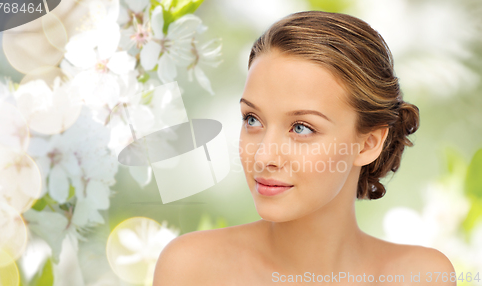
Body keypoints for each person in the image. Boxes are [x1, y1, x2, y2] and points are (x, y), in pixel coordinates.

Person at [153, 10, 456, 285]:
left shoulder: (422, 276)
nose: (264, 156)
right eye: (253, 119)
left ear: (368, 143)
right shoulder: (192, 269)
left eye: (301, 128)